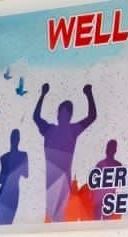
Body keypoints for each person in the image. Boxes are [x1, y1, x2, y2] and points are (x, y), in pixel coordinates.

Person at [33, 82, 97, 223]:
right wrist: (42, 95)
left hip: (64, 181)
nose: (63, 116)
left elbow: (92, 116)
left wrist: (89, 94)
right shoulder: (50, 130)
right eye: (61, 113)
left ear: (70, 116)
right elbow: (36, 117)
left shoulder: (72, 130)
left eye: (66, 113)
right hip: (51, 180)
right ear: (57, 115)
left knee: (60, 217)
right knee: (52, 216)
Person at [0, 129, 29, 225]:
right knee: (5, 221)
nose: (14, 140)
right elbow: (0, 179)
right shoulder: (6, 157)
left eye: (15, 138)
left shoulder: (9, 157)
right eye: (14, 138)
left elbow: (26, 174)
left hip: (10, 192)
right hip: (8, 192)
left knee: (7, 221)